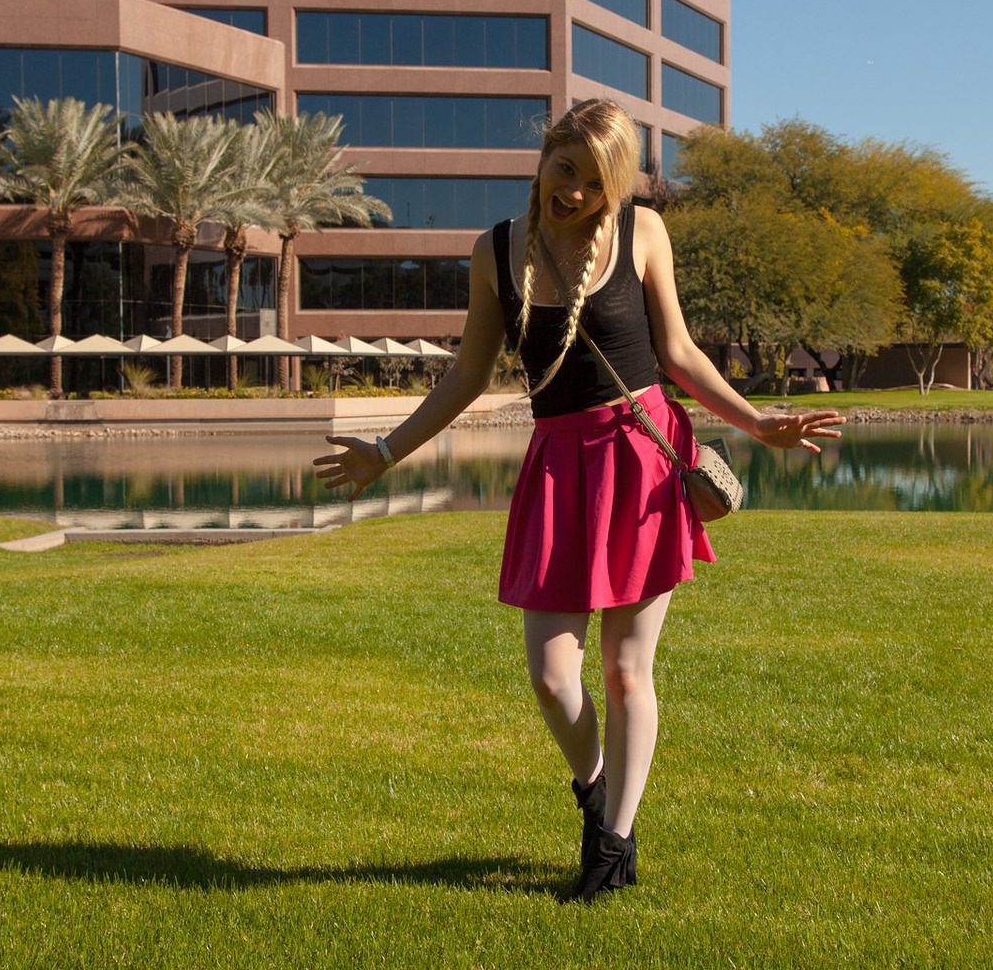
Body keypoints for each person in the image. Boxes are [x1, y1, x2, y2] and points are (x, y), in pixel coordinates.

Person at [313, 99, 844, 901]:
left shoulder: (643, 233)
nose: (575, 194)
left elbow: (678, 353)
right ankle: (597, 793)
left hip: (639, 462)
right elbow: (467, 375)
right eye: (566, 171)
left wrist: (756, 421)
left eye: (596, 184)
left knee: (628, 672)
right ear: (545, 153)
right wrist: (386, 453)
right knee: (552, 676)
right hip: (559, 468)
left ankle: (613, 847)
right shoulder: (494, 252)